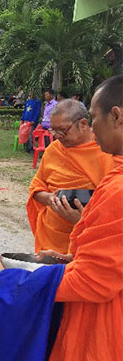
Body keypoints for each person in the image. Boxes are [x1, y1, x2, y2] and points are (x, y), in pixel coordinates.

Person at [0, 75, 123, 361]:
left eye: (95, 117)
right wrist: (75, 258)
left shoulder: (117, 186)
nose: (95, 125)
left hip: (105, 320)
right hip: (67, 248)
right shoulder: (108, 175)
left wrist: (11, 285)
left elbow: (94, 282)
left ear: (116, 116)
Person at [27, 99, 114, 254]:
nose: (57, 136)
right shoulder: (54, 150)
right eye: (54, 131)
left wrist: (83, 220)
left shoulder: (106, 151)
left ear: (83, 124)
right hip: (51, 236)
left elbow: (112, 205)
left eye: (62, 130)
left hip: (88, 240)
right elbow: (37, 186)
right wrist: (49, 199)